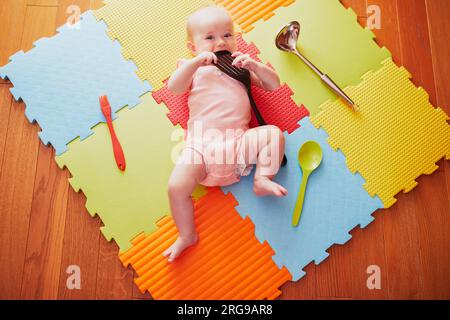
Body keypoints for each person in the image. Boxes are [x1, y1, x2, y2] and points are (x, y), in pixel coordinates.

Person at [163, 6, 287, 263]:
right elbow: (175, 88)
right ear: (192, 46)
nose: (221, 42)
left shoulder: (240, 67)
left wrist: (254, 64)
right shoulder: (192, 67)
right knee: (176, 187)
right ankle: (187, 235)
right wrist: (195, 63)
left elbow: (273, 84)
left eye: (228, 35)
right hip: (201, 149)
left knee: (274, 134)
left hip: (238, 146)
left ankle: (263, 178)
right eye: (209, 38)